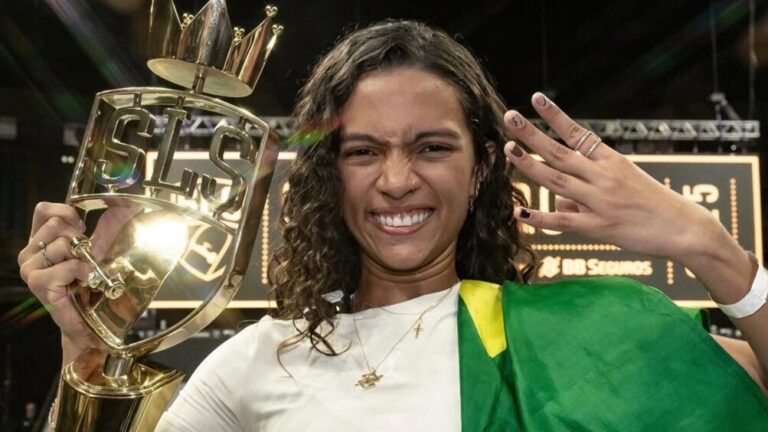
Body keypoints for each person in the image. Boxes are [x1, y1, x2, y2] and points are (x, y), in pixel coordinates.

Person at [17, 20, 768, 431]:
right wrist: (89, 350)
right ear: (330, 173)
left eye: (432, 147)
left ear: (482, 167)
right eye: (363, 151)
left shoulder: (598, 331)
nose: (398, 179)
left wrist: (710, 247)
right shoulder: (257, 362)